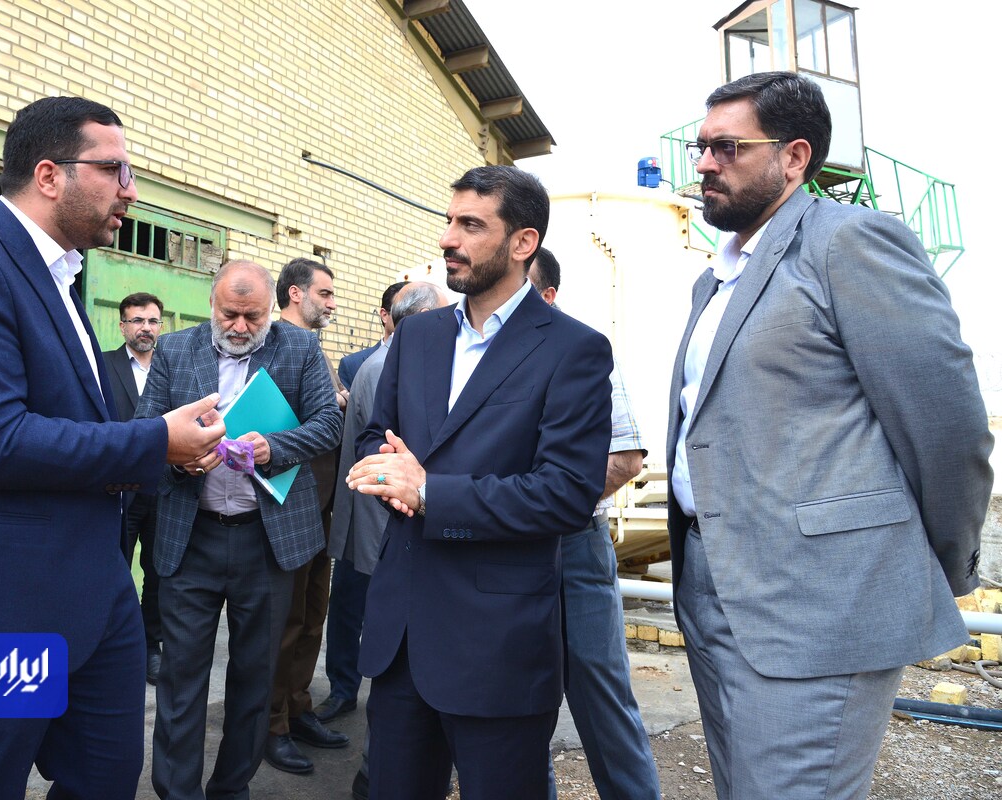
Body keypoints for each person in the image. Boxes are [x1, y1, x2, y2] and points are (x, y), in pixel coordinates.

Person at [0, 95, 227, 800]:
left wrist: (165, 447)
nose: (131, 190)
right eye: (114, 169)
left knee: (106, 778)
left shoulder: (61, 275)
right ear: (48, 175)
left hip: (92, 596)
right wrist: (155, 441)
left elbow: (73, 420)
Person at [667, 71, 994, 800]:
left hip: (820, 602)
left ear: (794, 157)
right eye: (701, 147)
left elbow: (946, 427)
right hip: (714, 587)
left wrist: (933, 563)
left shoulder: (850, 241)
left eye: (727, 147)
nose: (705, 164)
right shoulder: (715, 279)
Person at [346, 165, 614, 800]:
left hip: (497, 646)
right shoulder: (418, 335)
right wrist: (388, 471)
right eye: (449, 221)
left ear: (522, 243)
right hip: (401, 639)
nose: (448, 239)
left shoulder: (572, 349)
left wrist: (429, 492)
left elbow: (566, 493)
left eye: (471, 225)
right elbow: (375, 435)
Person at [137, 259, 343, 800]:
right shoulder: (175, 350)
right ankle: (178, 793)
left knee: (255, 678)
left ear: (272, 309)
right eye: (229, 314)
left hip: (265, 540)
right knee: (181, 678)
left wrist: (274, 447)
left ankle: (231, 788)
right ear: (212, 304)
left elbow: (328, 423)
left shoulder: (299, 349)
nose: (240, 326)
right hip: (191, 536)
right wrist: (181, 457)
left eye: (253, 317)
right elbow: (144, 428)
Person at [528, 247, 661, 800]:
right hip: (502, 550)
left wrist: (537, 507)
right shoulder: (481, 355)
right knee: (518, 704)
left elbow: (624, 460)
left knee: (599, 693)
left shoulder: (583, 351)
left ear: (548, 295)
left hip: (572, 547)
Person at [328, 280, 450, 800]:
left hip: (389, 523)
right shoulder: (389, 368)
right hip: (393, 526)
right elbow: (384, 456)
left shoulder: (382, 363)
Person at [264, 257, 351, 775]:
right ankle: (271, 725)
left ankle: (298, 708)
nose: (332, 303)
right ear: (295, 293)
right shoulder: (272, 344)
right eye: (325, 293)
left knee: (312, 617)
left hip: (323, 508)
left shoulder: (314, 349)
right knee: (285, 623)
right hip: (287, 507)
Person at [102, 291, 167, 685]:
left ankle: (150, 645)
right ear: (122, 325)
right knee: (114, 566)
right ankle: (110, 642)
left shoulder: (171, 366)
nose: (146, 328)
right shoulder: (103, 365)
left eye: (153, 321)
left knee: (159, 572)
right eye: (137, 320)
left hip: (163, 486)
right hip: (119, 487)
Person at [336, 281, 409, 391]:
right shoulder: (352, 365)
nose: (412, 317)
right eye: (405, 310)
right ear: (384, 315)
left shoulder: (428, 362)